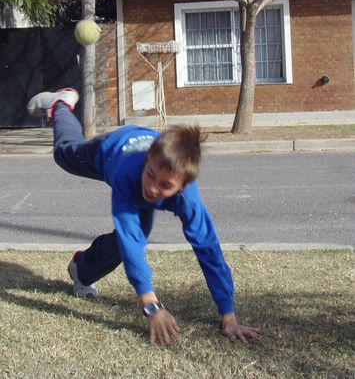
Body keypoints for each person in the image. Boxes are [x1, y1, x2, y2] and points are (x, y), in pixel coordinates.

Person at [27, 88, 261, 346]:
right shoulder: (128, 176)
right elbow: (131, 241)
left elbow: (209, 249)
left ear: (181, 187)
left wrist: (228, 315)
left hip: (148, 152)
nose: (152, 188)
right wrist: (151, 305)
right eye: (150, 175)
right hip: (110, 150)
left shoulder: (187, 198)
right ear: (147, 161)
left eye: (164, 186)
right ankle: (59, 104)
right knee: (64, 153)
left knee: (142, 228)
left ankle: (81, 269)